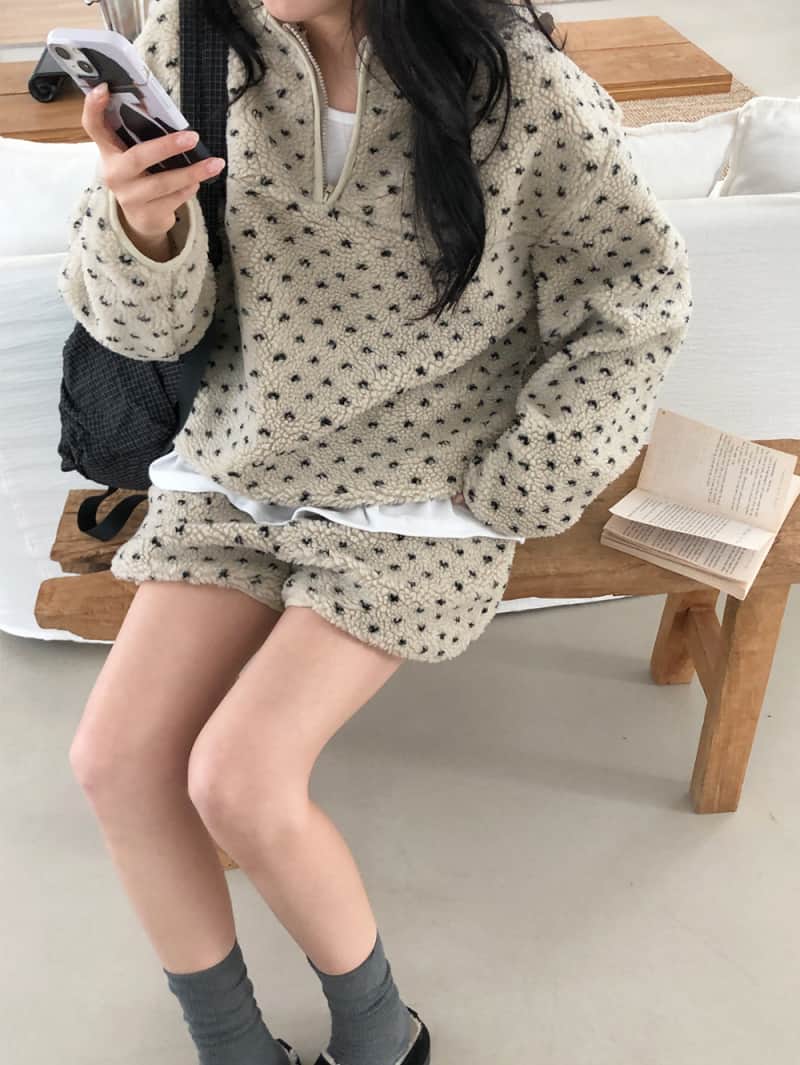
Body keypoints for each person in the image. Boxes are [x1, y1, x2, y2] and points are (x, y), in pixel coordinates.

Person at [60, 0, 693, 1063]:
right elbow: (149, 330)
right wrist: (142, 227)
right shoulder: (189, 44)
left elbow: (636, 299)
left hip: (423, 493)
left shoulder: (516, 84)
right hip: (240, 465)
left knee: (239, 781)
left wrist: (525, 484)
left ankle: (382, 1033)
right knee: (114, 762)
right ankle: (230, 1045)